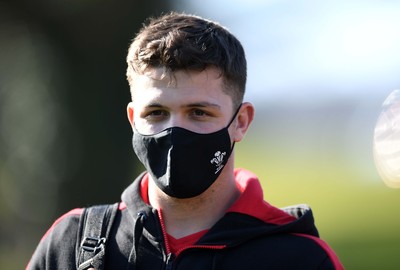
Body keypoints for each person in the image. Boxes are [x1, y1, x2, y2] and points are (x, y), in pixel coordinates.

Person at [27, 12, 344, 269]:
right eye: (156, 113)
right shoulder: (69, 246)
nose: (174, 131)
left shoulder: (299, 259)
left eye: (198, 112)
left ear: (241, 122)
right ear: (132, 119)